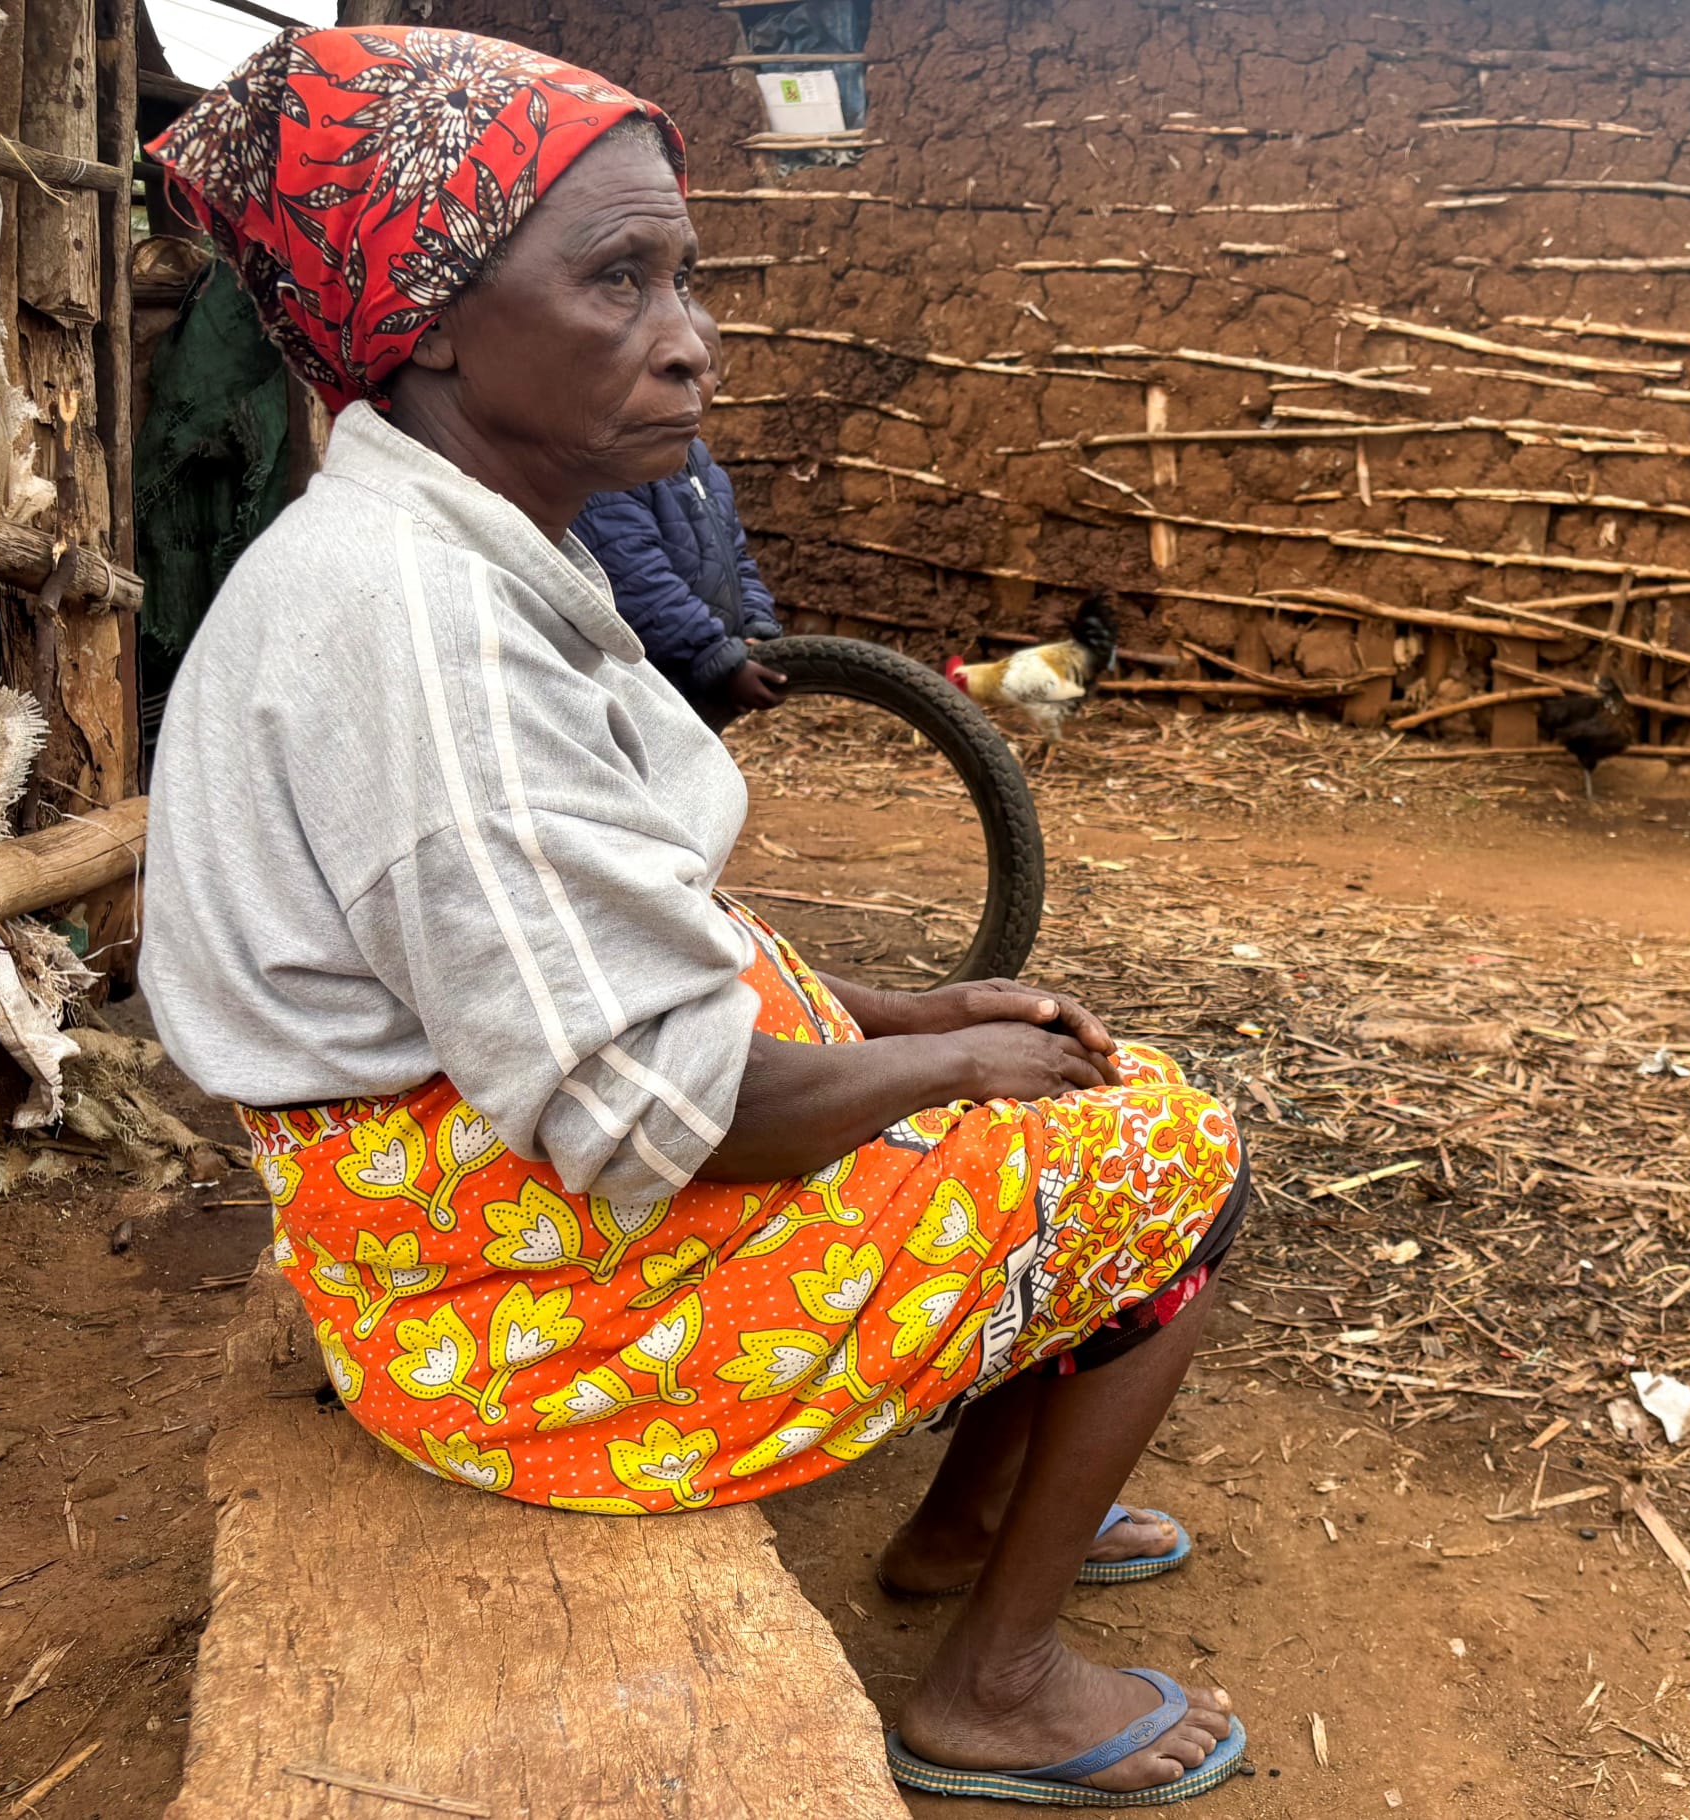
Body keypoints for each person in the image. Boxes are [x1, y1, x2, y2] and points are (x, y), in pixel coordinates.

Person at [138, 27, 1246, 1804]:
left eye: (687, 276)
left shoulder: (462, 551)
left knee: (1055, 1094)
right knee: (1178, 1157)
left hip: (470, 1207)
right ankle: (998, 1678)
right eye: (618, 279)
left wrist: (894, 1015)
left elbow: (603, 957)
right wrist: (952, 1057)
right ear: (425, 322)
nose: (690, 334)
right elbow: (679, 1111)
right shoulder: (423, 637)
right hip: (509, 1318)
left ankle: (979, 1528)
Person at [570, 301, 790, 727]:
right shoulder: (614, 464)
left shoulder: (707, 470)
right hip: (648, 690)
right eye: (664, 358)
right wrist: (717, 656)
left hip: (699, 684)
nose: (685, 372)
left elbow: (738, 562)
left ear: (719, 385)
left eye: (702, 363)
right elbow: (636, 579)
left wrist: (757, 627)